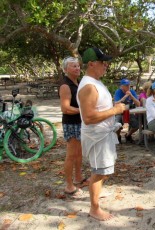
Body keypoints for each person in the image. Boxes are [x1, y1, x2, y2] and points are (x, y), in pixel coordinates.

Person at [77, 47, 125, 221]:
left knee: (103, 171)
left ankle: (95, 195)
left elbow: (100, 107)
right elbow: (88, 117)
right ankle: (94, 208)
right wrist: (115, 110)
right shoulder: (88, 86)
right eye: (102, 62)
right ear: (91, 64)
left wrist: (115, 106)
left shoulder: (95, 81)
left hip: (103, 135)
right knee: (99, 172)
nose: (106, 65)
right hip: (97, 136)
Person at [59, 56, 85, 198]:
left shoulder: (79, 83)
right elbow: (65, 108)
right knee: (71, 155)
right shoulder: (65, 85)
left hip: (80, 122)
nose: (77, 68)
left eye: (78, 66)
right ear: (65, 69)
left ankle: (78, 178)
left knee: (79, 153)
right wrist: (84, 110)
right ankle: (69, 186)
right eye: (73, 66)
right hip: (71, 123)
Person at [114, 78, 140, 143]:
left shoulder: (132, 91)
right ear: (122, 86)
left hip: (129, 112)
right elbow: (116, 103)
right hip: (119, 111)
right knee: (117, 124)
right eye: (126, 85)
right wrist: (125, 97)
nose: (128, 87)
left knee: (136, 125)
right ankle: (118, 136)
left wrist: (131, 96)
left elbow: (138, 104)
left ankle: (128, 135)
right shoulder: (118, 92)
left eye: (129, 85)